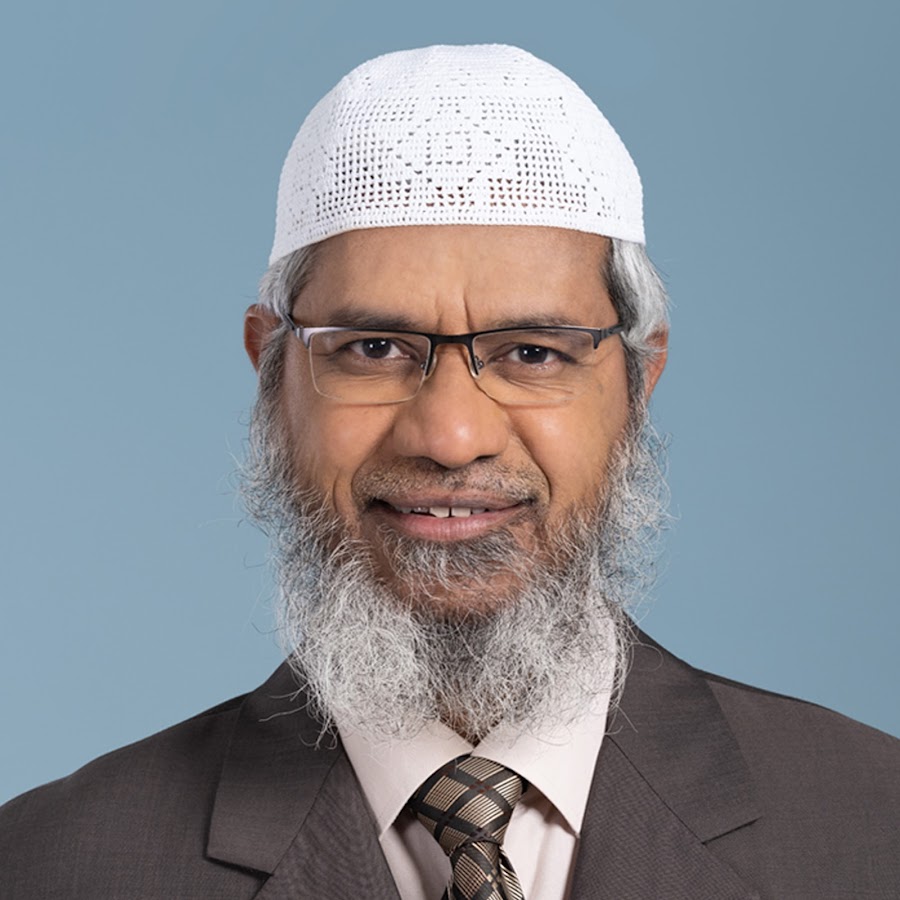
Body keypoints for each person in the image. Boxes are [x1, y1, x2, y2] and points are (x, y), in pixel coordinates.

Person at [0, 43, 896, 900]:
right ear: (271, 374)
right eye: (374, 348)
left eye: (534, 352)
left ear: (639, 381)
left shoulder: (874, 829)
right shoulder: (46, 869)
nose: (452, 436)